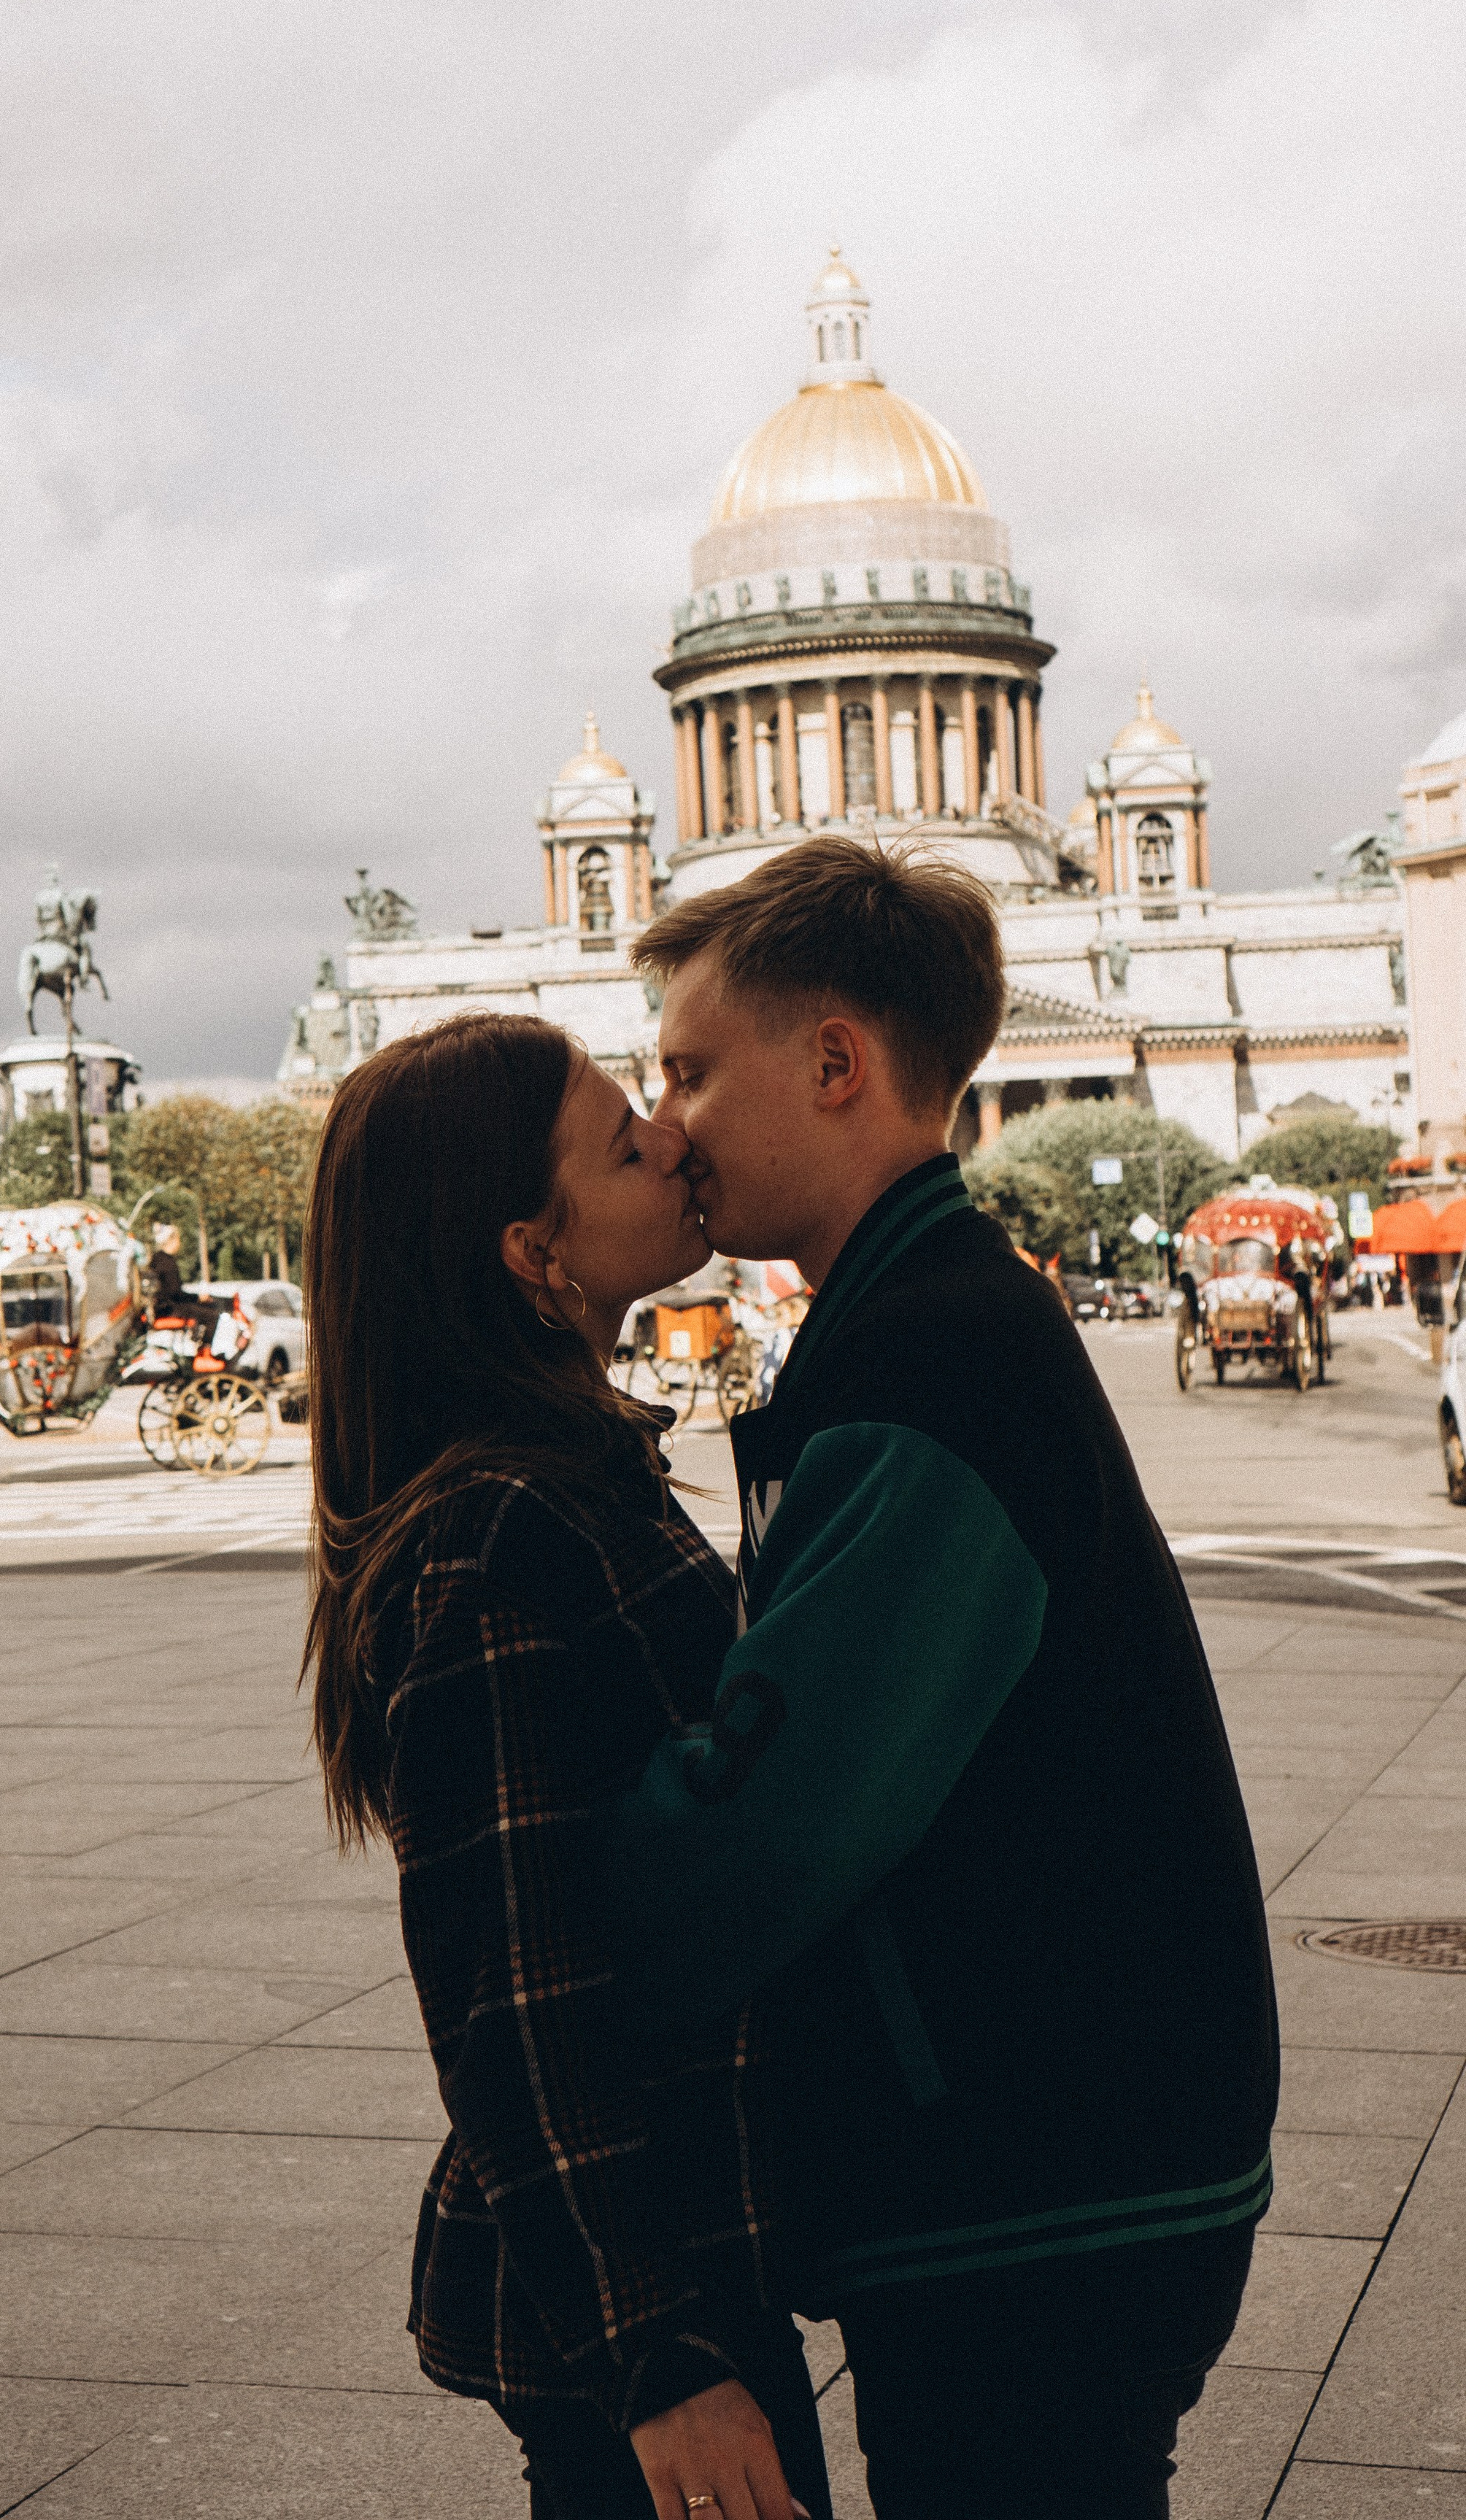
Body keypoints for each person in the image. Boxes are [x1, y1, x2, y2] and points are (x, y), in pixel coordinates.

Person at [603, 836, 1277, 2520]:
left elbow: (767, 1831)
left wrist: (551, 1865)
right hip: (1072, 2143)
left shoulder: (921, 1361)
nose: (663, 1120)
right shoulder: (930, 1315)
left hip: (1033, 2174)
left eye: (687, 1068)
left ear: (833, 1061)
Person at [304, 1015, 833, 2520]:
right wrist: (653, 2357)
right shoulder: (499, 1535)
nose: (672, 1139)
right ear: (535, 1257)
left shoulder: (562, 1478)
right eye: (622, 1141)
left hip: (675, 2256)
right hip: (644, 2294)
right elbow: (506, 1988)